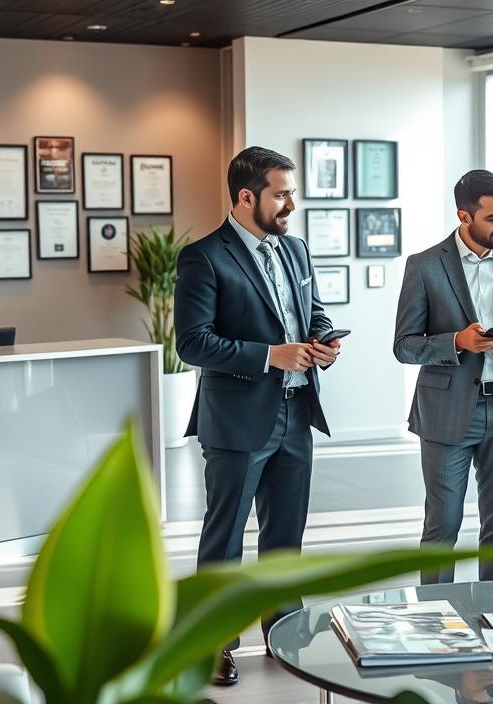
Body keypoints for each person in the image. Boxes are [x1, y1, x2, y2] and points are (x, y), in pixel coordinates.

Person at [174, 146, 343, 685]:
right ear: (246, 197)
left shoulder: (295, 249)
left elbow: (312, 313)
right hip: (237, 421)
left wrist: (324, 340)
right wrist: (271, 356)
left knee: (285, 538)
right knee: (225, 539)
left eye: (292, 193)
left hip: (297, 412)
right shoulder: (203, 257)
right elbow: (192, 343)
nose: (291, 204)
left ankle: (284, 634)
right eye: (282, 194)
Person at [393, 169, 493, 584]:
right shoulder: (425, 265)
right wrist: (457, 341)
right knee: (442, 526)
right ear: (464, 216)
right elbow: (404, 345)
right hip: (445, 411)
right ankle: (434, 614)